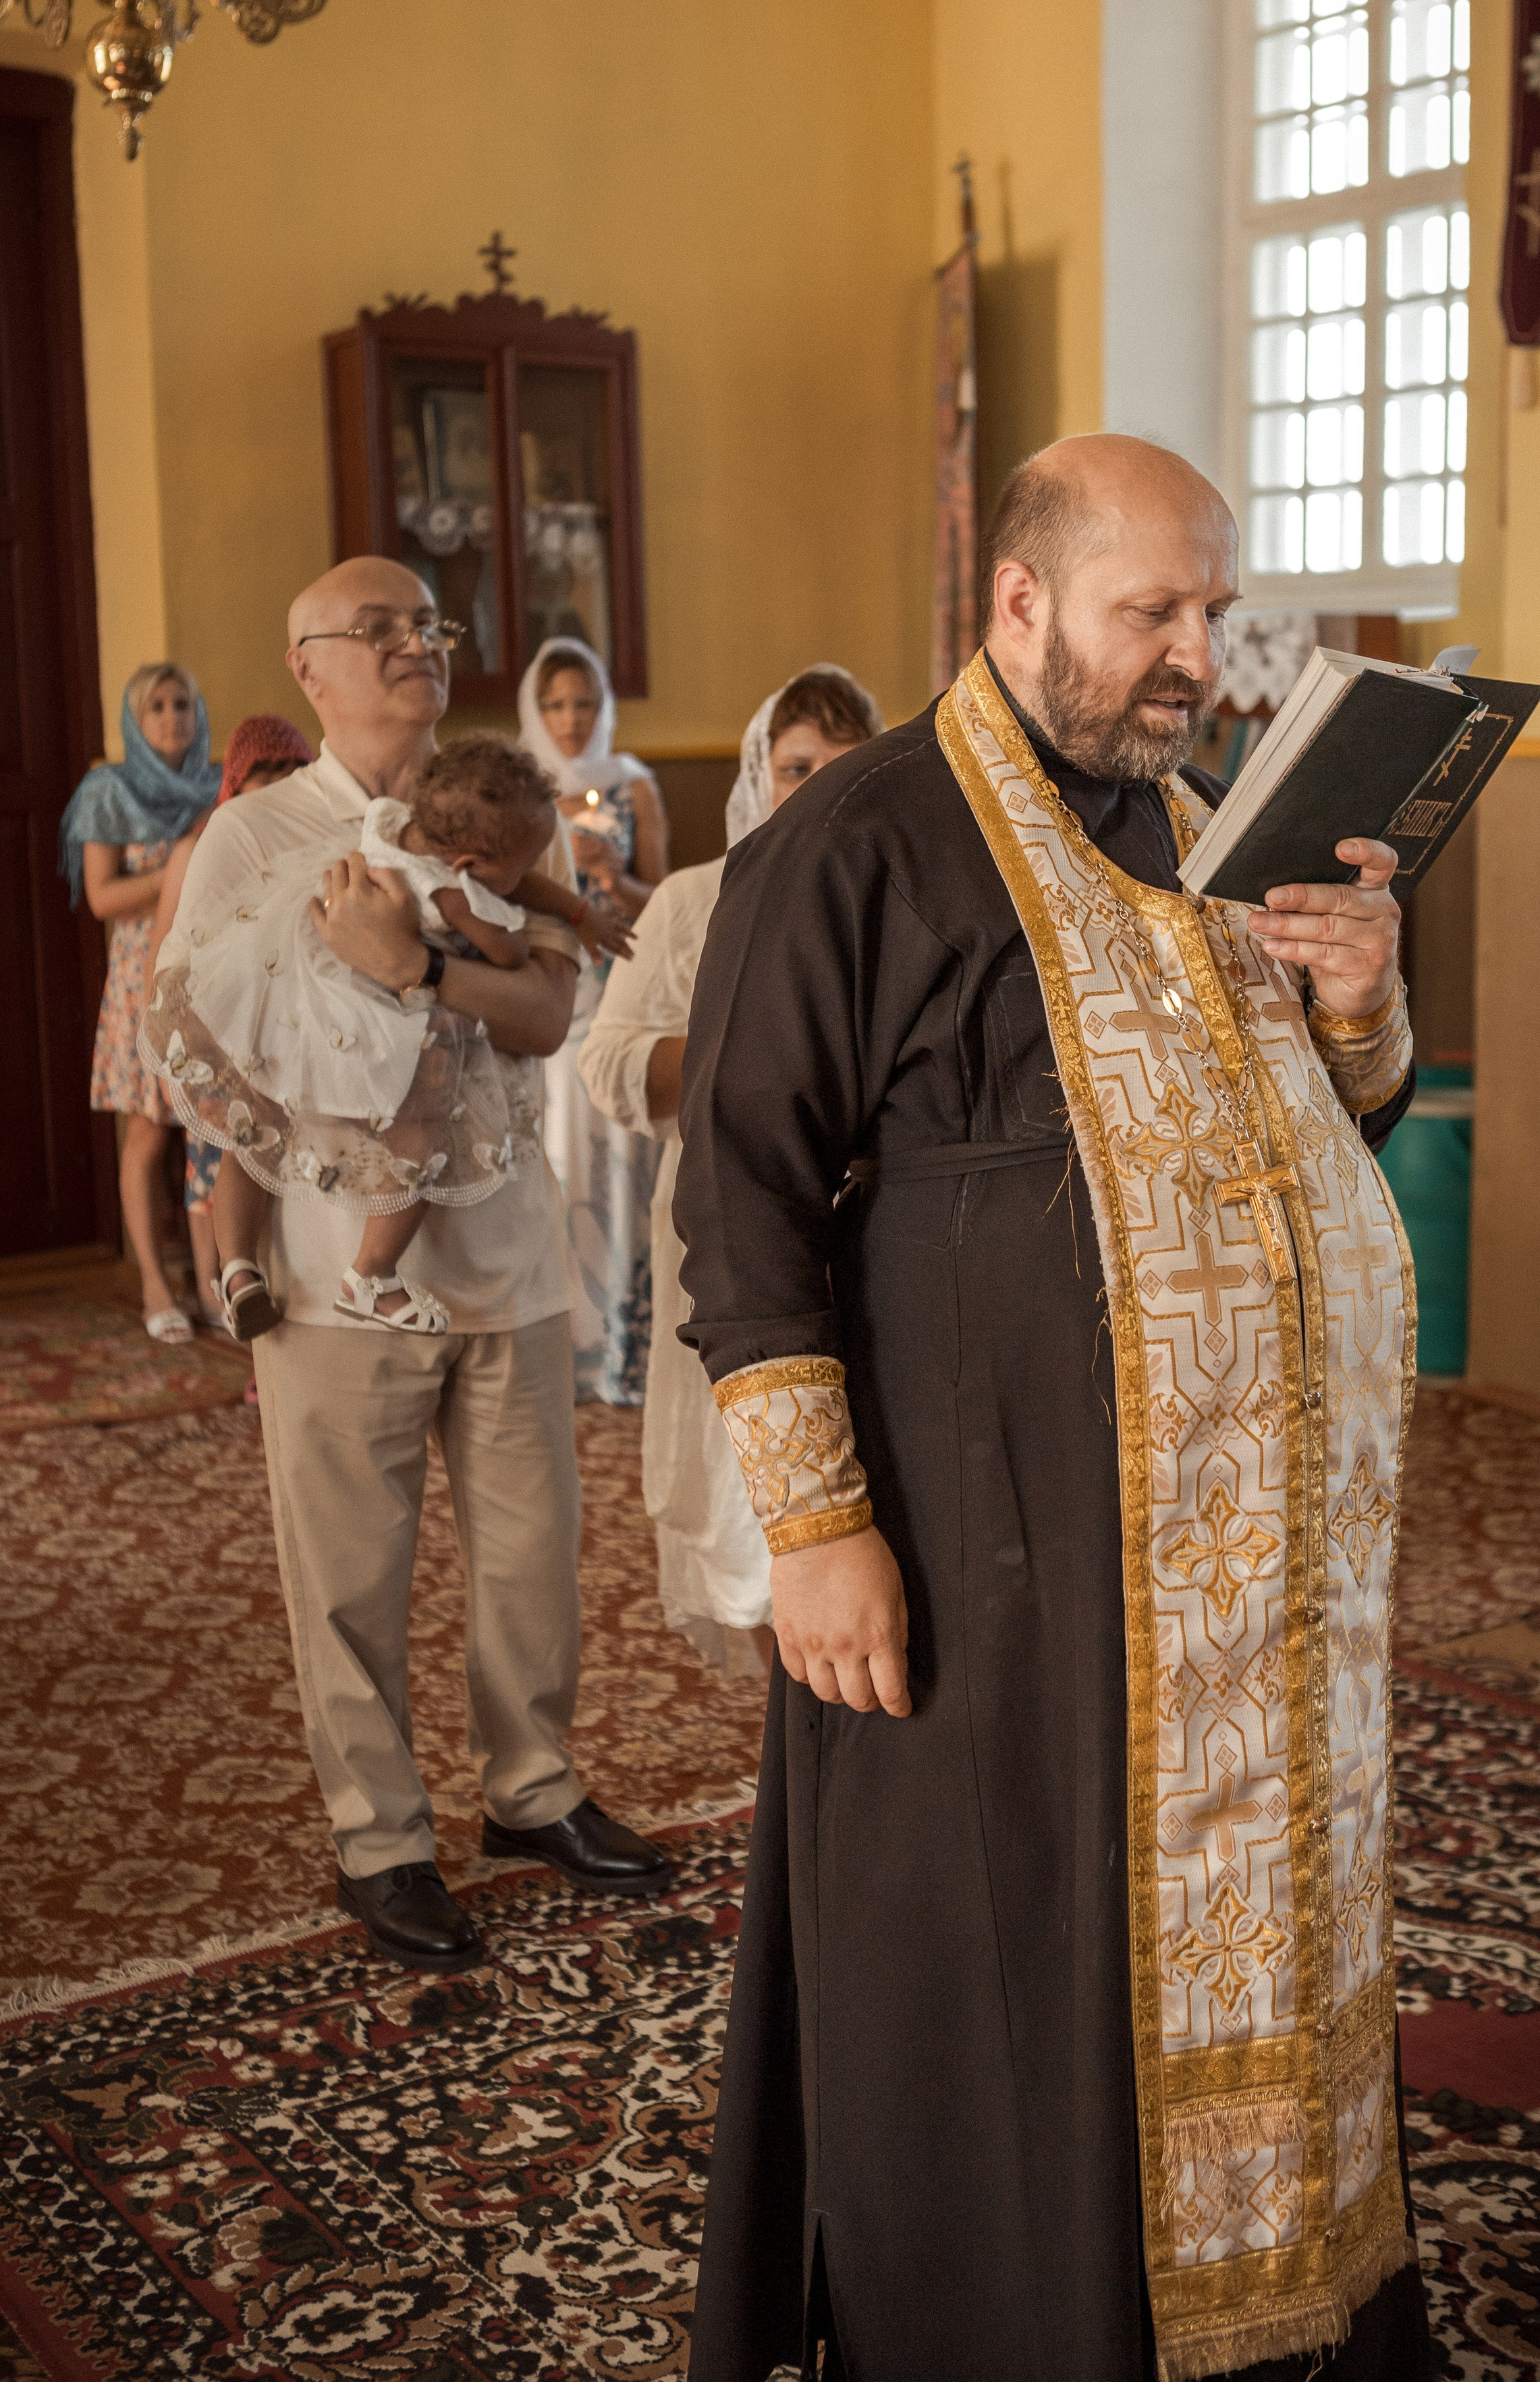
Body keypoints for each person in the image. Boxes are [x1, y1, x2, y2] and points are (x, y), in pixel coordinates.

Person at [676, 437, 1431, 2382]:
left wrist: (1359, 1004)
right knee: (1012, 1956)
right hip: (984, 1539)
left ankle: (1268, 2319)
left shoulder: (1204, 825)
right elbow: (741, 1195)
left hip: (1229, 1573)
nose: (1193, 654)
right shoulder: (855, 839)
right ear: (1017, 601)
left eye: (1210, 610)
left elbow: (1302, 1138)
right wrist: (816, 1528)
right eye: (1147, 611)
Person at [146, 559, 669, 1976]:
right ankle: (379, 1835)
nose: (413, 645)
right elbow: (210, 1045)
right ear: (307, 666)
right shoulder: (254, 834)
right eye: (375, 629)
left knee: (531, 1556)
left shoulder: (496, 807)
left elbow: (547, 1011)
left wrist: (414, 973)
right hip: (337, 1275)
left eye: (428, 625)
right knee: (348, 1575)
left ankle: (533, 1790)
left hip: (510, 1254)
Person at [578, 668, 883, 1677]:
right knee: (748, 1499)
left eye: (845, 766)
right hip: (733, 1225)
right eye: (797, 768)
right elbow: (609, 1063)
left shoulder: (900, 892)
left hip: (877, 1230)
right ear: (759, 775)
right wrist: (747, 1046)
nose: (820, 787)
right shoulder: (690, 899)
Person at [151, 736, 563, 1345]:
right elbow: (510, 953)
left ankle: (236, 1268)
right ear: (471, 866)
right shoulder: (453, 893)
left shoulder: (386, 823)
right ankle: (372, 1275)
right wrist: (513, 925)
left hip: (301, 999)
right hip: (370, 1024)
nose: (525, 880)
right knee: (422, 1135)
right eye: (521, 870)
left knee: (257, 1128)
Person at [518, 637, 668, 1406]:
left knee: (622, 1159)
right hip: (557, 990)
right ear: (535, 711)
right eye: (555, 704)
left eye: (583, 702)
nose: (571, 718)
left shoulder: (633, 785)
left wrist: (613, 878)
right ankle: (566, 1345)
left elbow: (663, 899)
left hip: (622, 988)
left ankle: (625, 1349)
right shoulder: (525, 791)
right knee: (560, 1154)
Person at [61, 665, 220, 1345]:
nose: (172, 717)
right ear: (134, 719)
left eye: (183, 703)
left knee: (213, 1129)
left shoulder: (220, 784)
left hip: (212, 971)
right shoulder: (108, 790)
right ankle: (156, 1283)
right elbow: (102, 898)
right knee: (150, 1130)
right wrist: (183, 863)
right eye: (156, 706)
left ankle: (213, 1282)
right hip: (142, 977)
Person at [148, 713, 318, 1332]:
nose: (279, 787)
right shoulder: (209, 846)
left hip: (302, 1034)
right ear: (237, 781)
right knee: (221, 1166)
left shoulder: (315, 841)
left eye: (294, 773)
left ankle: (278, 1300)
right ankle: (223, 1289)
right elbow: (167, 956)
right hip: (228, 1037)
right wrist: (171, 1056)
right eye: (264, 775)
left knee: (295, 1174)